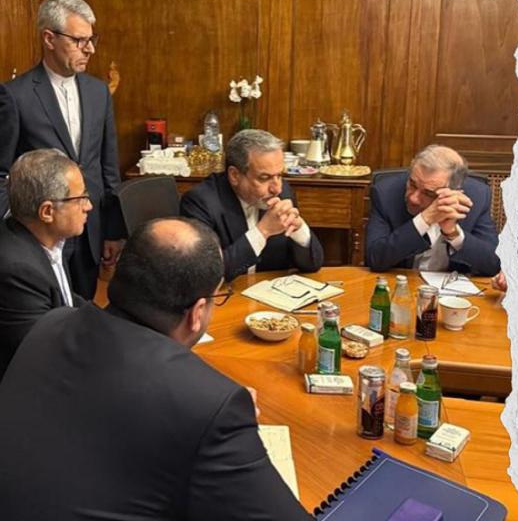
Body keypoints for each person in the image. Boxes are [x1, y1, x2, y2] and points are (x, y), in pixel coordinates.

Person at [0, 218, 313, 520]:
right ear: (197, 313)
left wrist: (203, 397)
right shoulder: (209, 407)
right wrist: (211, 406)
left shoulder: (51, 324)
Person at [0, 0, 124, 300]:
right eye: (79, 40)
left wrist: (112, 230)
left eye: (92, 39)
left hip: (90, 227)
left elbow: (108, 167)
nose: (90, 49)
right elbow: (2, 174)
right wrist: (11, 238)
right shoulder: (15, 96)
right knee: (47, 315)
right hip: (39, 234)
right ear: (49, 38)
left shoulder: (99, 92)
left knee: (83, 310)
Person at [181, 129, 323, 282]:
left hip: (271, 292)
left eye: (279, 175)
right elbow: (206, 274)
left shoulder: (282, 193)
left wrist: (299, 230)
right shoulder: (201, 202)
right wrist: (263, 231)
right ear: (234, 176)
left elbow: (312, 265)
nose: (277, 188)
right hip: (228, 294)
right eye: (264, 178)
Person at [0, 149, 91, 379]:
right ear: (48, 211)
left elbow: (67, 299)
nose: (88, 206)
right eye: (81, 198)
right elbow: (45, 354)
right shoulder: (17, 269)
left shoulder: (50, 240)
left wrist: (114, 325)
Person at [365, 144, 500, 276]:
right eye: (412, 184)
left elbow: (493, 265)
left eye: (428, 193)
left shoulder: (477, 197)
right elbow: (375, 259)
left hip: (453, 288)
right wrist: (424, 220)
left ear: (454, 191)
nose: (413, 198)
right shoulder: (385, 193)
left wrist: (453, 233)